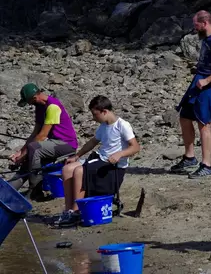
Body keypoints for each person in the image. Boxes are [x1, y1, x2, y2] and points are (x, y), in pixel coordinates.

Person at [56, 95, 140, 227]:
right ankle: (68, 209)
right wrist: (77, 156)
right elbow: (92, 142)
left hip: (112, 164)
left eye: (95, 115)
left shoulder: (122, 125)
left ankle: (77, 210)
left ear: (104, 111)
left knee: (79, 171)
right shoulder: (103, 125)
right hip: (99, 158)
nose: (94, 118)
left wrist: (120, 154)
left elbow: (135, 147)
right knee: (67, 169)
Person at [171, 10, 211, 179]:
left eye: (196, 25)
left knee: (204, 123)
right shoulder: (207, 39)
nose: (194, 28)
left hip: (208, 87)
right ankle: (190, 157)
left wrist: (207, 80)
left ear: (204, 23)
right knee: (185, 117)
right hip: (198, 83)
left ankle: (207, 164)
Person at [8, 83, 78, 200]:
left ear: (34, 98)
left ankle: (36, 191)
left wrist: (23, 155)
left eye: (29, 102)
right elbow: (35, 133)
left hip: (66, 144)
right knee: (28, 158)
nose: (29, 105)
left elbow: (42, 135)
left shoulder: (52, 106)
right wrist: (21, 153)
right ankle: (6, 191)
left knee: (34, 149)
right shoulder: (40, 107)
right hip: (53, 143)